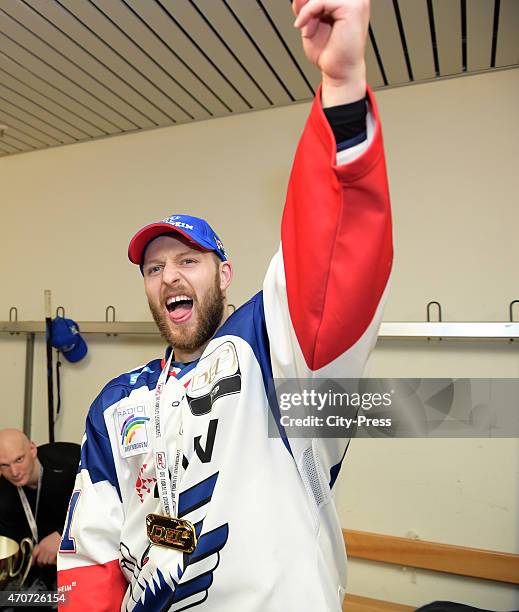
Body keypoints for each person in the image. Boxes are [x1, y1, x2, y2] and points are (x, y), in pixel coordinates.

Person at [57, 1, 393, 610]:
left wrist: (342, 88)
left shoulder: (269, 351)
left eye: (188, 261)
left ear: (225, 273)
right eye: (153, 268)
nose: (168, 277)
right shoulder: (116, 403)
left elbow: (329, 268)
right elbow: (94, 552)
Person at [0, 429, 80, 589]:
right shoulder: (4, 493)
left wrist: (63, 534)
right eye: (4, 465)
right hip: (41, 578)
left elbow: (106, 506)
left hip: (83, 567)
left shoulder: (71, 461)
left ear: (32, 449)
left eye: (19, 459)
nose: (14, 472)